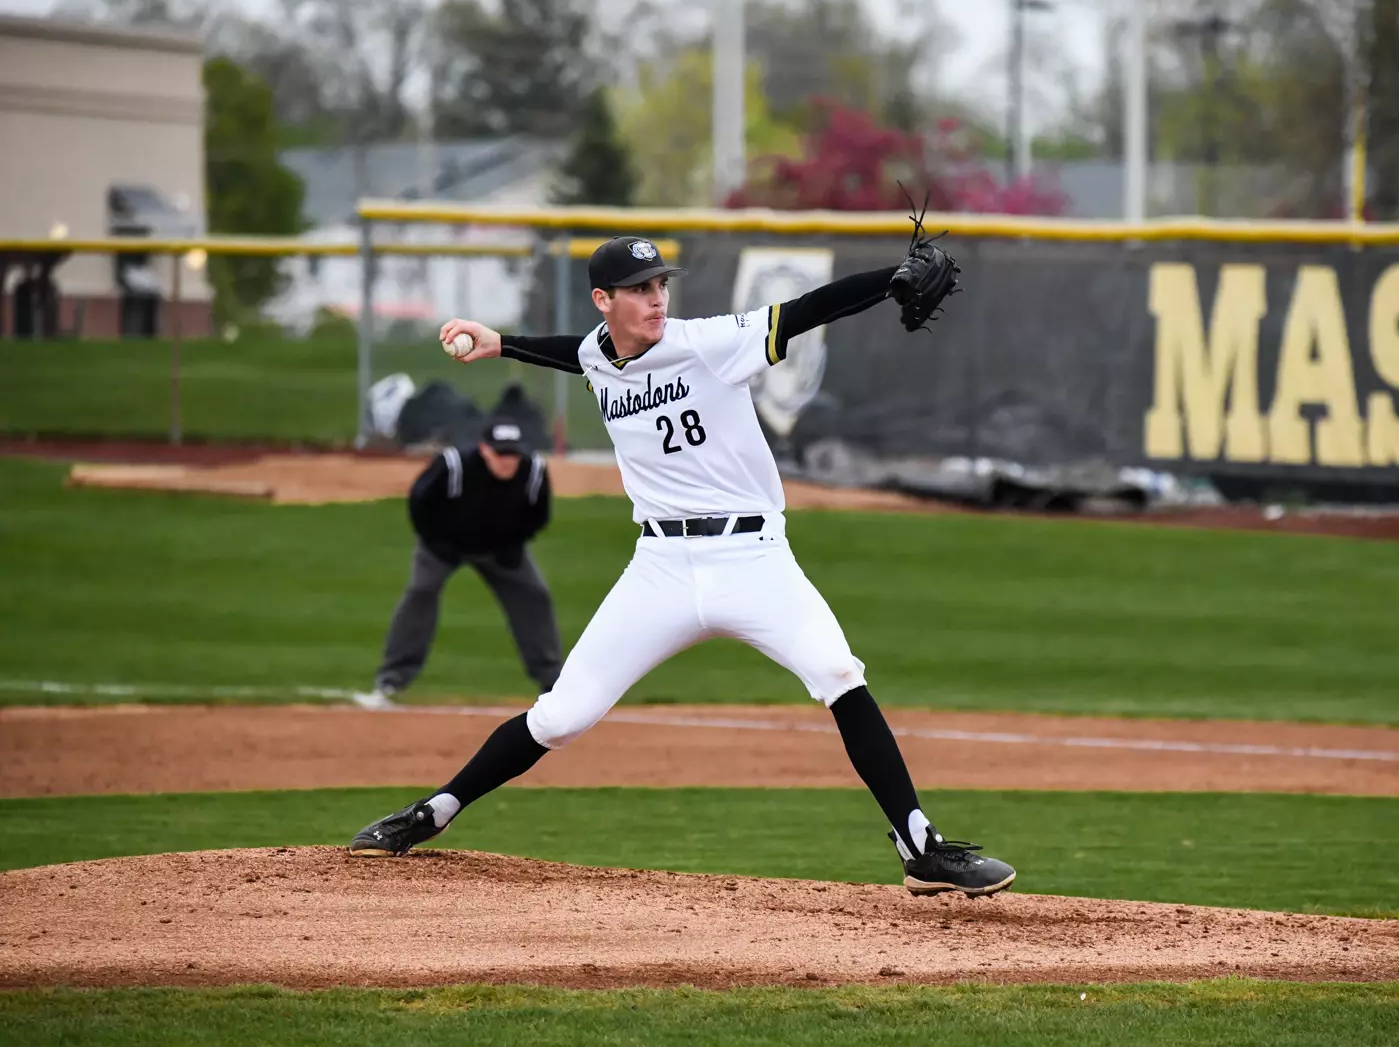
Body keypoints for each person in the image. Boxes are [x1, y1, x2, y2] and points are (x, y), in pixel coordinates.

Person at [349, 230, 1015, 897]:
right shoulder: (598, 352)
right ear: (603, 300)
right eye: (640, 289)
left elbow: (807, 308)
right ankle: (433, 811)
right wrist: (501, 342)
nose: (657, 298)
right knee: (561, 717)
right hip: (660, 567)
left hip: (752, 557)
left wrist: (889, 278)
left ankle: (920, 846)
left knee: (838, 672)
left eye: (661, 283)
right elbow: (574, 354)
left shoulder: (707, 344)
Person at [354, 415, 563, 709]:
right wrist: (438, 544)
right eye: (500, 453)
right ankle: (391, 680)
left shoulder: (534, 472)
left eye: (512, 454)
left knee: (534, 595)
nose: (507, 461)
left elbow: (539, 515)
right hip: (443, 546)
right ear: (484, 450)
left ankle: (554, 682)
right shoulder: (453, 465)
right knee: (420, 593)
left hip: (501, 549)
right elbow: (419, 502)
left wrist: (513, 545)